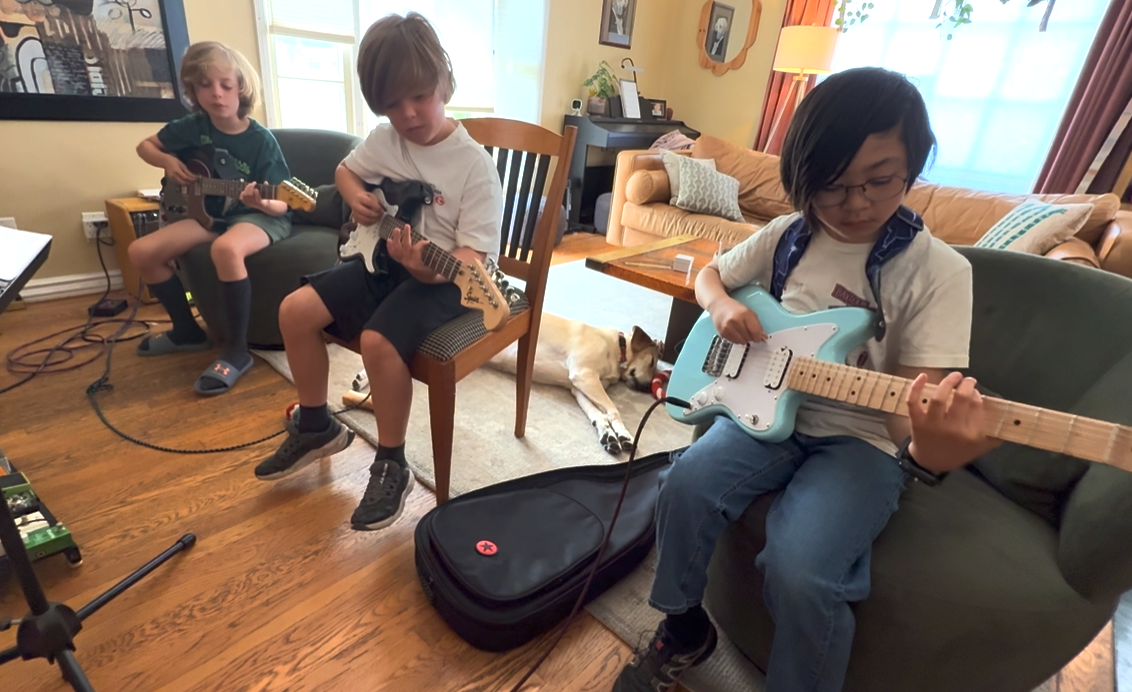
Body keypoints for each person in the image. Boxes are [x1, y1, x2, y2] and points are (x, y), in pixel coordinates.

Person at [613, 67, 1000, 692]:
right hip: (767, 414)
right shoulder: (792, 233)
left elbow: (907, 412)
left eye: (881, 180)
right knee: (683, 482)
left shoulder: (940, 272)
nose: (855, 204)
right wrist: (722, 307)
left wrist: (934, 447)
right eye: (832, 185)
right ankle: (684, 628)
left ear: (915, 162)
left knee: (801, 568)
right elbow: (709, 273)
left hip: (862, 442)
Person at [253, 13, 503, 531]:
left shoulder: (473, 166)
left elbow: (474, 261)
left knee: (377, 342)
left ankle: (391, 461)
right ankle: (316, 426)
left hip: (448, 281)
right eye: (392, 104)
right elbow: (346, 170)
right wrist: (357, 197)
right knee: (294, 311)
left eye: (420, 96)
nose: (408, 114)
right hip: (381, 259)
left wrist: (428, 270)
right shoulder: (386, 139)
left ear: (446, 81)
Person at [130, 41, 292, 395]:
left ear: (241, 87)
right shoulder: (193, 127)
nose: (216, 94)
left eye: (225, 85)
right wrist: (169, 162)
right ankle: (186, 332)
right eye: (205, 85)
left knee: (226, 250)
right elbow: (146, 146)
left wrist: (262, 202)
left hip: (259, 217)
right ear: (193, 90)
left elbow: (283, 202)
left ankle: (237, 351)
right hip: (208, 215)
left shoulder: (261, 141)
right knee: (141, 252)